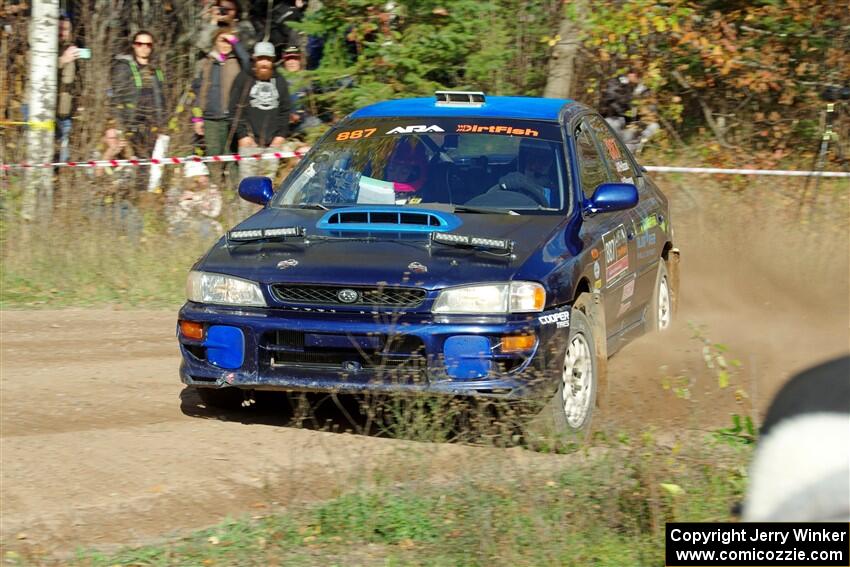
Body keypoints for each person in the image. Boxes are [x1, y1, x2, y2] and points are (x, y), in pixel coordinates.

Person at [190, 27, 251, 184]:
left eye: (228, 41)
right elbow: (199, 91)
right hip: (210, 118)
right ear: (215, 42)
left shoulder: (237, 61)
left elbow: (247, 60)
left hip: (230, 118)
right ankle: (216, 192)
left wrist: (233, 40)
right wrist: (197, 118)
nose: (225, 44)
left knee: (232, 158)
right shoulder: (207, 63)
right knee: (213, 158)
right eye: (221, 40)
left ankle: (235, 194)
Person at [229, 41, 292, 185]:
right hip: (248, 143)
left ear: (273, 61)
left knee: (267, 186)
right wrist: (243, 135)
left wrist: (281, 135)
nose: (264, 63)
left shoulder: (280, 81)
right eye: (261, 58)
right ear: (254, 59)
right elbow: (233, 109)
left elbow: (285, 110)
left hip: (272, 145)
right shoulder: (243, 78)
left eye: (268, 59)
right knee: (247, 185)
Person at [110, 30, 166, 159]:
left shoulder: (156, 68)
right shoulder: (124, 67)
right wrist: (119, 126)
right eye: (140, 43)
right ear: (134, 45)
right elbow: (117, 97)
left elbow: (161, 96)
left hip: (152, 124)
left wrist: (162, 121)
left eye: (148, 44)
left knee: (149, 164)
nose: (144, 47)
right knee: (130, 163)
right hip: (131, 123)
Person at [467, 138, 556, 208]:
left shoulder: (561, 196)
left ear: (553, 164)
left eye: (543, 160)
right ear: (522, 162)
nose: (535, 165)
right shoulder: (507, 184)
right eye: (530, 159)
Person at [600, 70, 659, 154]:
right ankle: (614, 155)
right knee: (612, 127)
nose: (637, 78)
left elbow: (648, 106)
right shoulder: (617, 83)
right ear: (631, 74)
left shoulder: (638, 88)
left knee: (653, 126)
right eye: (636, 75)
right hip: (611, 118)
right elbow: (612, 99)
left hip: (624, 120)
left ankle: (627, 155)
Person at [167, 160, 223, 238]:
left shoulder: (212, 190)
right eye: (200, 177)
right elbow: (171, 217)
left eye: (205, 176)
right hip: (182, 224)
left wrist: (196, 200)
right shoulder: (176, 191)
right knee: (177, 230)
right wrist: (182, 204)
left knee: (207, 228)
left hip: (205, 224)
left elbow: (215, 212)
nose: (204, 179)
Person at [278, 46, 321, 138]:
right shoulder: (279, 81)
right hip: (285, 126)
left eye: (295, 58)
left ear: (300, 60)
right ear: (284, 61)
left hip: (307, 122)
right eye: (288, 59)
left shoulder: (309, 79)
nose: (291, 62)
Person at [57, 13, 82, 163]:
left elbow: (77, 82)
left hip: (65, 114)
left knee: (64, 159)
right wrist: (62, 60)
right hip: (43, 112)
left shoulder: (72, 49)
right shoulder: (42, 49)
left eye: (66, 29)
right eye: (59, 28)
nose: (62, 32)